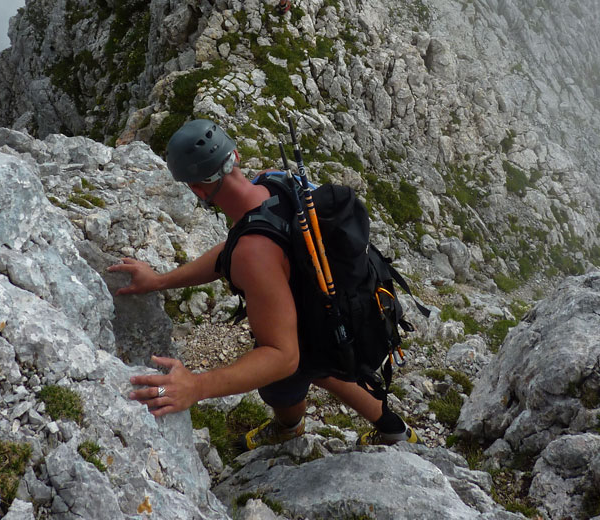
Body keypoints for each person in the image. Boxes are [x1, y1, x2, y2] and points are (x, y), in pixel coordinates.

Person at [108, 119, 417, 448]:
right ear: (235, 156)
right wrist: (159, 281)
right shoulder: (274, 181)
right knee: (323, 366)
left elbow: (283, 356)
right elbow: (232, 251)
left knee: (282, 379)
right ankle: (397, 431)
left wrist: (197, 386)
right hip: (345, 300)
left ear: (197, 189)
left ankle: (288, 428)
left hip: (319, 322)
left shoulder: (254, 252)